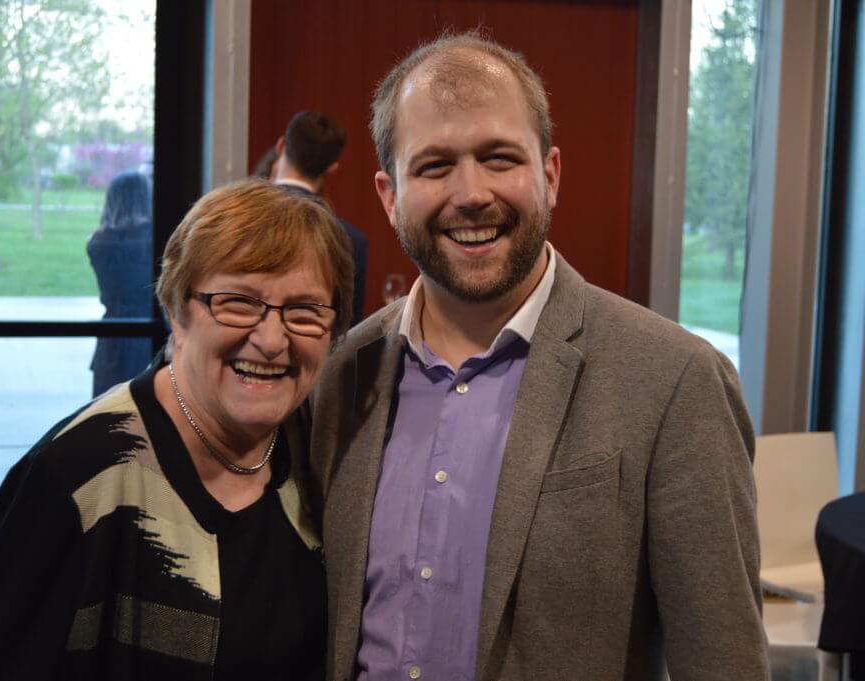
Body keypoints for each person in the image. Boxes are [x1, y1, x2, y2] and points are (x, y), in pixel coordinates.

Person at [307, 32, 769, 681]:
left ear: (549, 174)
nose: (471, 192)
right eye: (435, 165)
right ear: (388, 194)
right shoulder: (344, 372)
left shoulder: (674, 380)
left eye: (499, 158)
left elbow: (724, 663)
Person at [0, 180, 355, 681]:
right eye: (238, 302)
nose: (272, 340)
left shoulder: (323, 456)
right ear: (176, 310)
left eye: (304, 311)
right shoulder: (73, 481)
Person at [274, 111, 369, 324]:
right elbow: (348, 333)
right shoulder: (350, 240)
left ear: (281, 146)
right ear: (332, 168)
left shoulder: (235, 220)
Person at [87, 171, 154, 397]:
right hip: (149, 329)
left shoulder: (98, 242)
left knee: (108, 411)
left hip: (112, 334)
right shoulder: (155, 240)